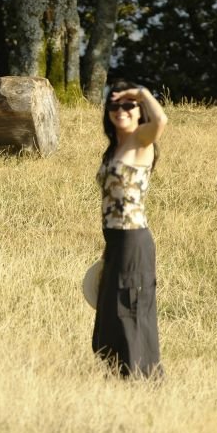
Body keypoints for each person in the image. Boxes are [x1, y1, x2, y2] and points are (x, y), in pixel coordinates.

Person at [92, 80, 168, 378]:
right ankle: (116, 372)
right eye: (115, 105)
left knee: (130, 307)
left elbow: (161, 120)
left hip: (133, 238)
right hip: (115, 239)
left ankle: (141, 376)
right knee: (110, 307)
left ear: (139, 112)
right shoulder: (115, 148)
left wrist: (141, 93)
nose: (121, 110)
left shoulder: (141, 140)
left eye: (128, 105)